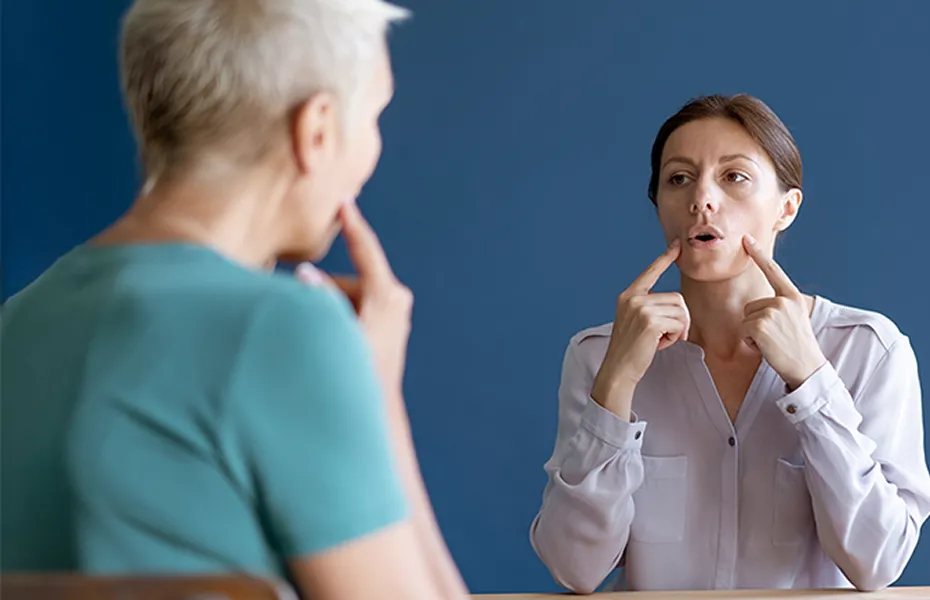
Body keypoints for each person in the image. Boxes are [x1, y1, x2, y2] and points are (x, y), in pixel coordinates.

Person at [0, 2, 468, 599]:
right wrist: (380, 396)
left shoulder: (17, 322)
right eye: (375, 115)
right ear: (317, 131)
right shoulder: (287, 330)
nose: (373, 149)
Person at [529, 94, 930, 594]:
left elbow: (879, 562)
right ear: (659, 207)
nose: (702, 199)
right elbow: (574, 568)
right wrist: (615, 386)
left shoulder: (869, 350)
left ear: (786, 208)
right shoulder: (596, 355)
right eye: (678, 179)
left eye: (734, 177)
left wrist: (812, 384)